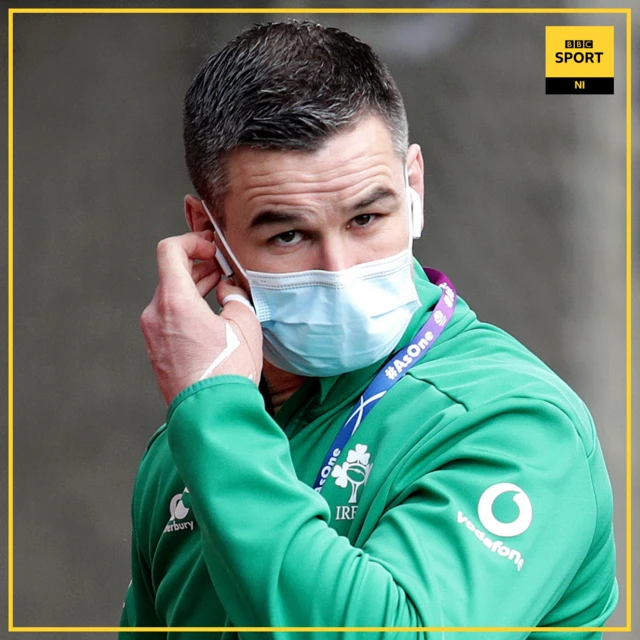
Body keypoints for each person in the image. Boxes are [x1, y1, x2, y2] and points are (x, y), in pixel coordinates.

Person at [119, 20, 618, 638]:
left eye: (366, 217)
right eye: (288, 235)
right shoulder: (187, 444)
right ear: (209, 234)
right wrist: (212, 416)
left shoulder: (518, 423)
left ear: (413, 187)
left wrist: (215, 418)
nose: (340, 270)